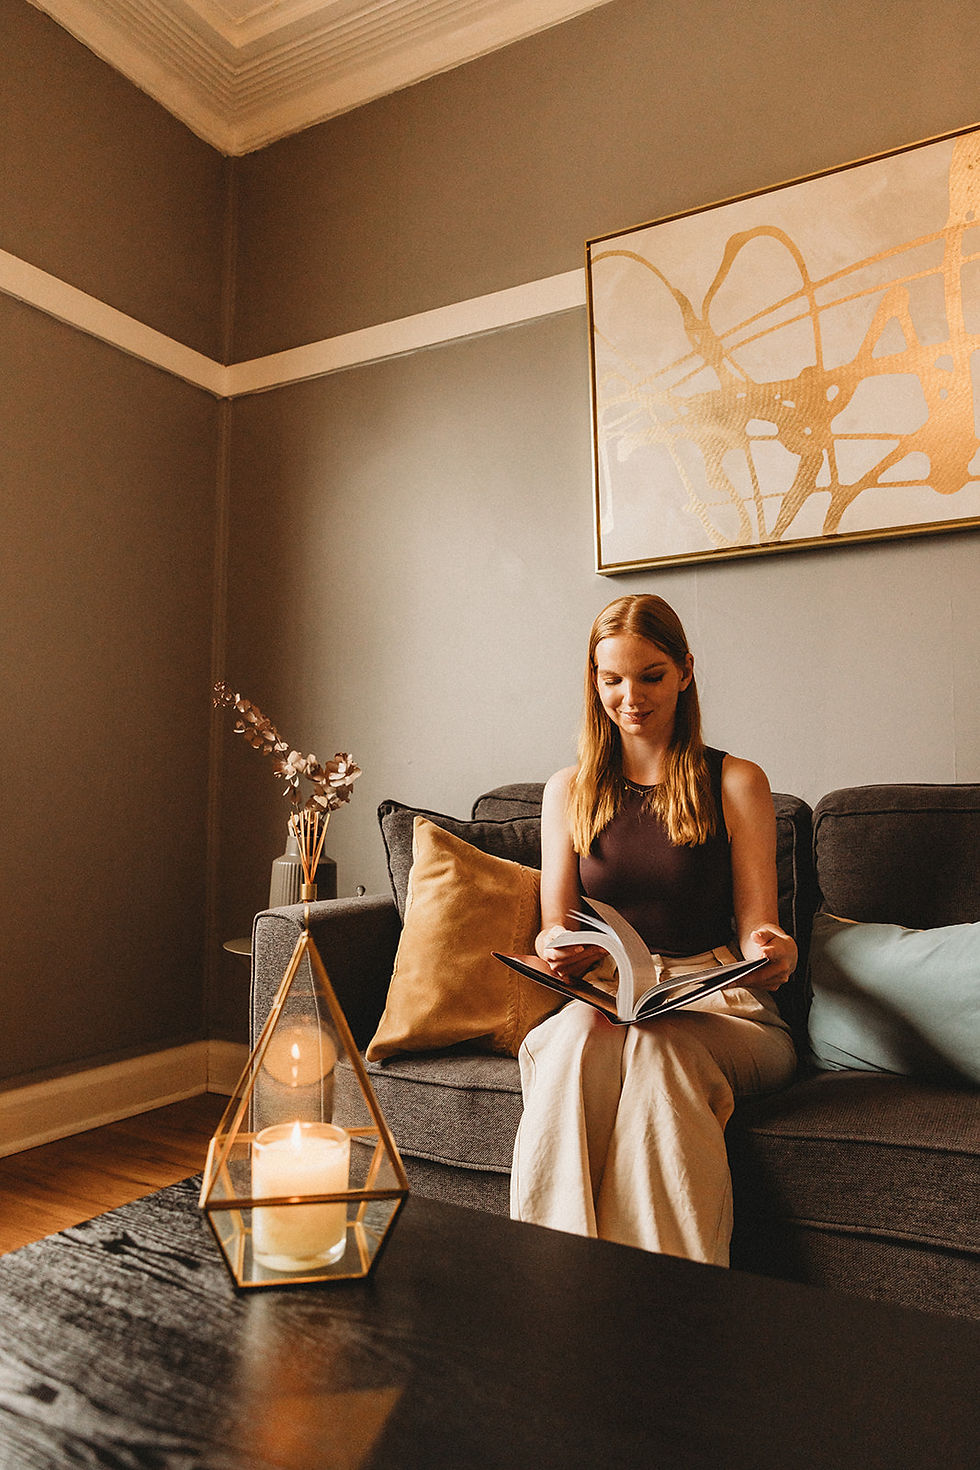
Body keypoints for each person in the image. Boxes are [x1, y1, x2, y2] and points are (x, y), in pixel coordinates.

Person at [510, 593, 798, 1266]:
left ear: (686, 672)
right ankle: (554, 1278)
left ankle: (671, 1299)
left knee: (658, 1047)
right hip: (607, 997)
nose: (630, 696)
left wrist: (771, 950)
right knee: (573, 1041)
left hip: (722, 1007)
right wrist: (559, 951)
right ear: (593, 679)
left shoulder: (736, 781)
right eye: (612, 678)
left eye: (651, 676)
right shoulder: (568, 789)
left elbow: (761, 926)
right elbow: (554, 925)